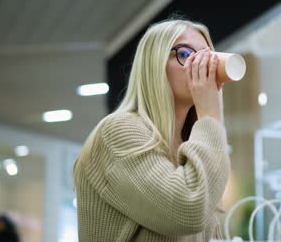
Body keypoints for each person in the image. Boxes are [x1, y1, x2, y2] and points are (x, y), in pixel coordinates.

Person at [73, 18, 230, 241]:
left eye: (207, 58)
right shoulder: (118, 131)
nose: (201, 67)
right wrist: (210, 117)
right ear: (154, 65)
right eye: (185, 54)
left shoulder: (190, 145)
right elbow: (187, 212)